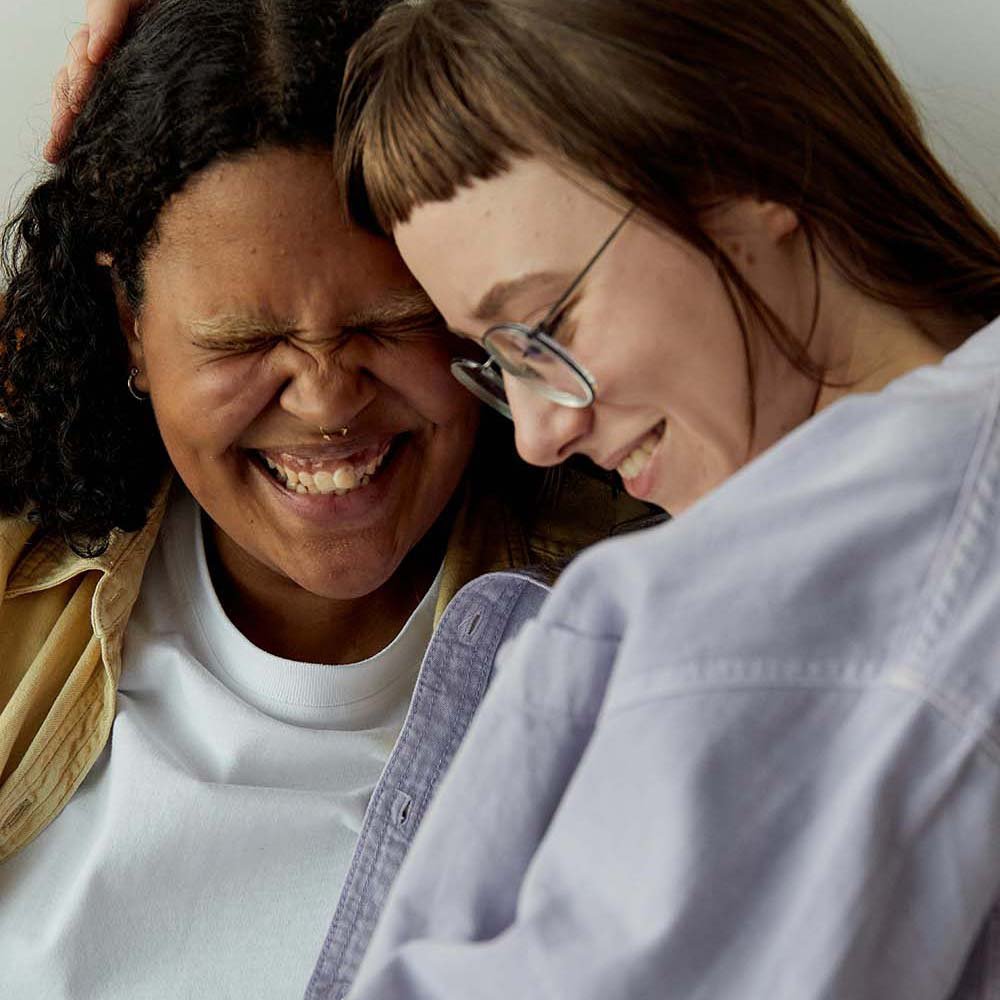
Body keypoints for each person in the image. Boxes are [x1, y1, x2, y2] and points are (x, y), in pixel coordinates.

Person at [327, 0, 1000, 997]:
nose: (538, 432)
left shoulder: (765, 611)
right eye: (498, 362)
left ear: (751, 164)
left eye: (547, 323)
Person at [0, 2, 649, 998]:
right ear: (130, 325)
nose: (327, 399)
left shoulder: (644, 615)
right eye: (241, 340)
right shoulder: (18, 587)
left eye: (396, 321)